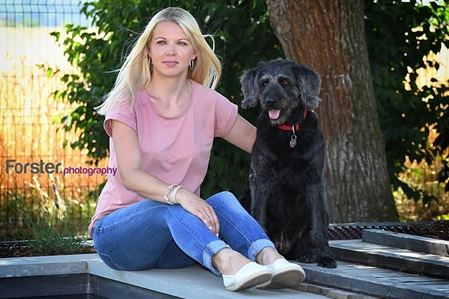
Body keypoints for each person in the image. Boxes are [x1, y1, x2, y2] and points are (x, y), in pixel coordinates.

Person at [89, 7, 305, 292]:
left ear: (193, 53)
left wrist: (299, 134)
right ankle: (228, 263)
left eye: (181, 43)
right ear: (149, 51)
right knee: (169, 206)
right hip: (120, 238)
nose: (170, 51)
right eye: (161, 42)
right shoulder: (127, 102)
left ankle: (270, 259)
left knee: (224, 200)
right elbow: (130, 175)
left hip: (179, 243)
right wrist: (180, 195)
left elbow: (262, 145)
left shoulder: (208, 103)